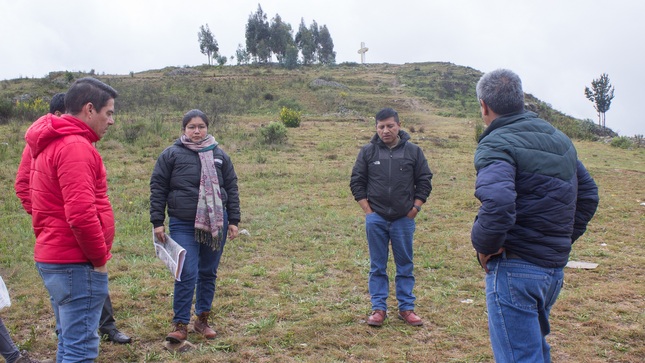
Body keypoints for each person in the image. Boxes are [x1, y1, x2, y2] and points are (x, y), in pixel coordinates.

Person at [471, 69, 599, 362]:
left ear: (484, 106)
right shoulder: (559, 140)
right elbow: (588, 196)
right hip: (551, 272)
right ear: (519, 100)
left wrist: (484, 247)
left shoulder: (496, 142)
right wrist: (558, 240)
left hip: (516, 269)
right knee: (534, 351)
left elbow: (499, 201)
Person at [14, 77, 119, 362]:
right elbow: (82, 216)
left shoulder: (54, 140)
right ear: (89, 109)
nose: (111, 121)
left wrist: (49, 224)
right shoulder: (75, 146)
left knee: (69, 342)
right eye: (108, 113)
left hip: (57, 257)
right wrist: (99, 259)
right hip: (75, 263)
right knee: (80, 349)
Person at [150, 109, 240, 343]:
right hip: (183, 223)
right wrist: (157, 221)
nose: (197, 131)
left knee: (207, 272)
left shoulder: (220, 155)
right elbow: (158, 188)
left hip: (216, 224)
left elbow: (231, 188)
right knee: (186, 272)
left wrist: (234, 221)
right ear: (184, 130)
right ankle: (180, 324)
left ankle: (202, 319)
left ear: (207, 128)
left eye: (201, 126)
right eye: (191, 127)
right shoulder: (171, 155)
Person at [350, 107, 433, 327]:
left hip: (403, 219)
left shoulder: (414, 151)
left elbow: (424, 180)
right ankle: (379, 309)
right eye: (381, 127)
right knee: (377, 265)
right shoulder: (367, 152)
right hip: (376, 218)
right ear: (376, 128)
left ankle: (406, 308)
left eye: (389, 126)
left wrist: (415, 208)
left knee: (405, 264)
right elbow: (356, 182)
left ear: (398, 125)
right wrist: (368, 212)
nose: (385, 131)